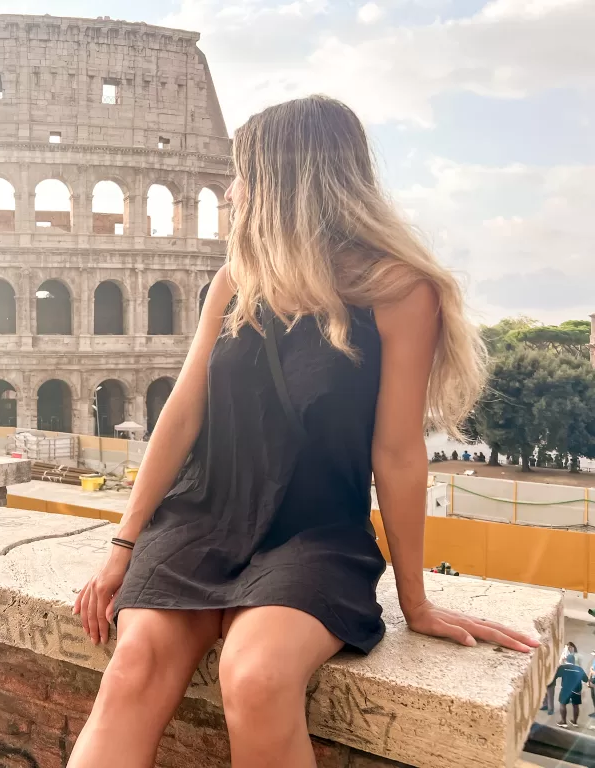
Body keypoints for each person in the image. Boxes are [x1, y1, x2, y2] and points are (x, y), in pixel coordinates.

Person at [69, 95, 538, 768]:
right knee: (133, 665)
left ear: (287, 180)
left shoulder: (402, 292)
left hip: (315, 534)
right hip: (201, 519)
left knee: (256, 678)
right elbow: (182, 415)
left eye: (244, 174)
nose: (233, 192)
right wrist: (123, 545)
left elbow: (398, 452)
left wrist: (415, 601)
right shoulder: (235, 280)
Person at [554, 653, 588, 727]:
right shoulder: (579, 669)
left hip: (566, 689)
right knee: (575, 705)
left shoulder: (563, 667)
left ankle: (563, 722)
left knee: (563, 704)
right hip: (577, 690)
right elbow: (585, 679)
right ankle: (575, 722)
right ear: (573, 661)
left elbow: (556, 675)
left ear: (566, 660)